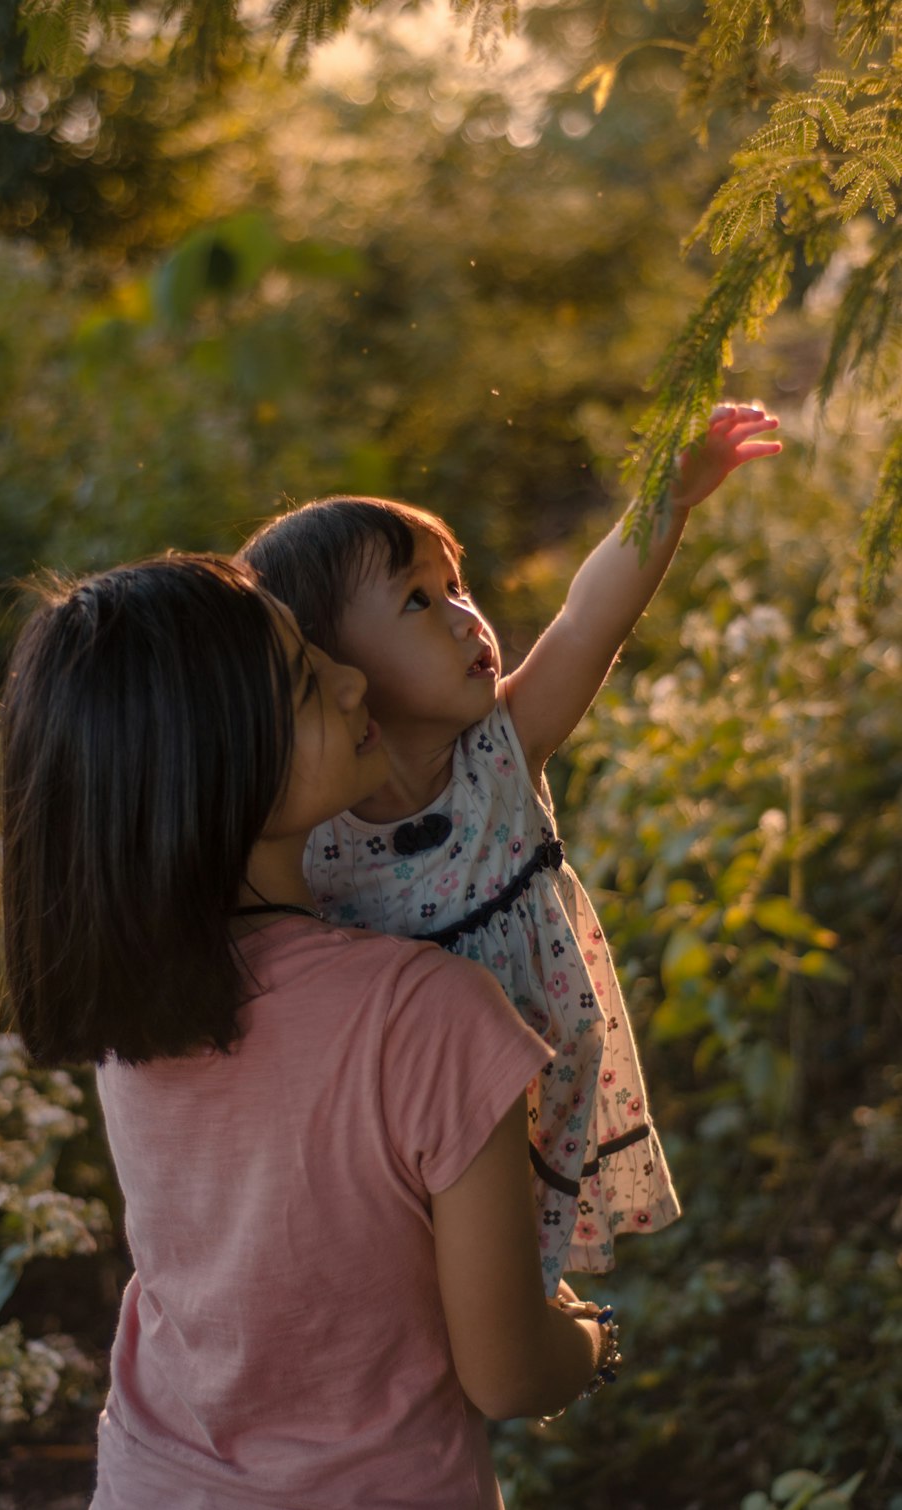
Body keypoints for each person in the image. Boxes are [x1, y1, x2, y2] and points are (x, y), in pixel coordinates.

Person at [0, 552, 623, 1510]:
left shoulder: (134, 1005)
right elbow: (506, 1374)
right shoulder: (430, 1017)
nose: (351, 677)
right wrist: (591, 1339)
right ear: (217, 770)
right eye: (306, 679)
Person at [241, 403, 782, 1294]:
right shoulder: (308, 830)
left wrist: (670, 501)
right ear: (328, 666)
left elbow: (582, 622)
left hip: (539, 1087)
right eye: (418, 600)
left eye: (457, 586)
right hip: (407, 1119)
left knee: (508, 1289)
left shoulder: (501, 749)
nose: (464, 616)